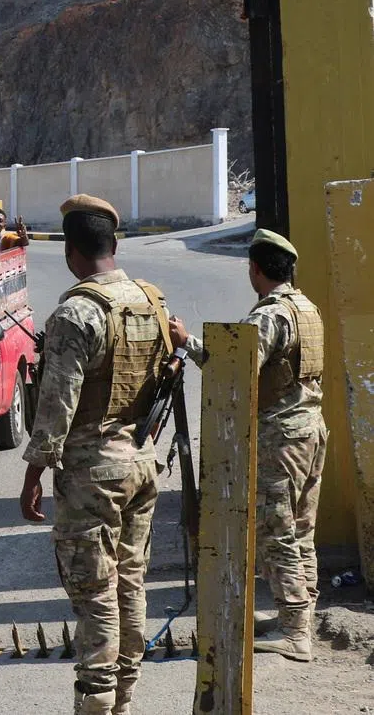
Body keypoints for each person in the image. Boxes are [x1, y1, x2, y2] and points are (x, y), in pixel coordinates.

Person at [19, 195, 172, 715]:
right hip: (142, 464)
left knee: (95, 598)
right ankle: (123, 701)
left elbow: (55, 404)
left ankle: (97, 706)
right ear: (113, 243)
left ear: (70, 249)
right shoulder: (152, 300)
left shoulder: (77, 312)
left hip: (93, 475)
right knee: (130, 586)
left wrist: (33, 473)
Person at [169, 228, 327, 663]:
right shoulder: (307, 309)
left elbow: (234, 367)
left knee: (277, 533)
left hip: (281, 438)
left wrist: (188, 343)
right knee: (301, 530)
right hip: (310, 429)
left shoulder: (272, 315)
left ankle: (295, 632)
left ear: (254, 270)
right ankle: (298, 617)